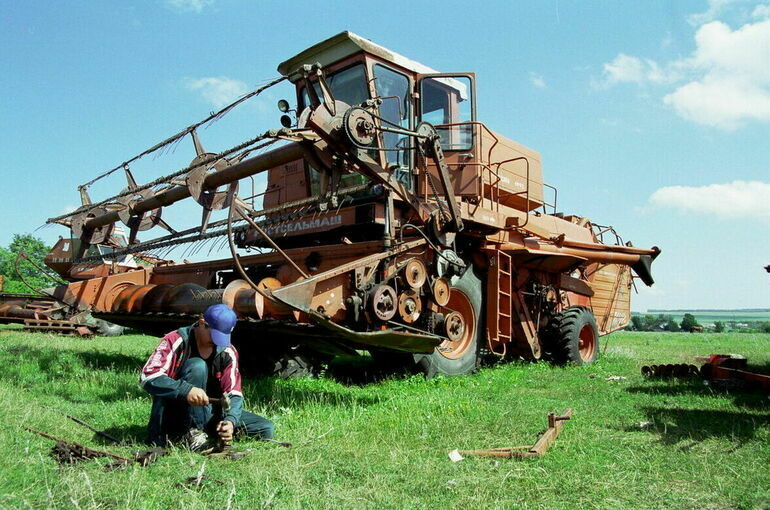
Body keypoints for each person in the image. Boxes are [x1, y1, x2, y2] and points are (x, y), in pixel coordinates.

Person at [139, 303, 274, 449]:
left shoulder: (227, 351)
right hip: (174, 411)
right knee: (198, 366)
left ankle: (209, 431)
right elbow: (148, 377)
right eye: (214, 335)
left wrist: (230, 421)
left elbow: (234, 392)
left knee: (265, 428)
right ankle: (189, 433)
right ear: (202, 323)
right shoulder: (175, 340)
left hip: (209, 411)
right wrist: (186, 390)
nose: (217, 342)